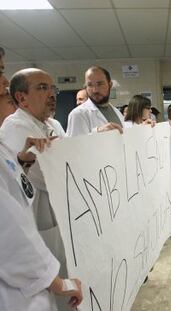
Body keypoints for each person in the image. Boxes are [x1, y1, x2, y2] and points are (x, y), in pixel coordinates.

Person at [0, 68, 70, 310]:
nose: (51, 94)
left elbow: (73, 157)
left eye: (53, 88)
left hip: (60, 217)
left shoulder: (54, 123)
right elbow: (46, 177)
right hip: (38, 222)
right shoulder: (15, 126)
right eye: (42, 88)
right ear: (21, 98)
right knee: (53, 288)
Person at [0, 136, 83, 310]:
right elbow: (10, 230)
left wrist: (23, 161)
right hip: (16, 286)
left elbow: (12, 181)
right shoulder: (12, 127)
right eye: (10, 105)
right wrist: (58, 282)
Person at [66, 66, 123, 136]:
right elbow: (75, 145)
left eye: (100, 84)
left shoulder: (117, 112)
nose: (95, 90)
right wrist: (97, 133)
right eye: (90, 85)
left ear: (110, 85)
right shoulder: (78, 114)